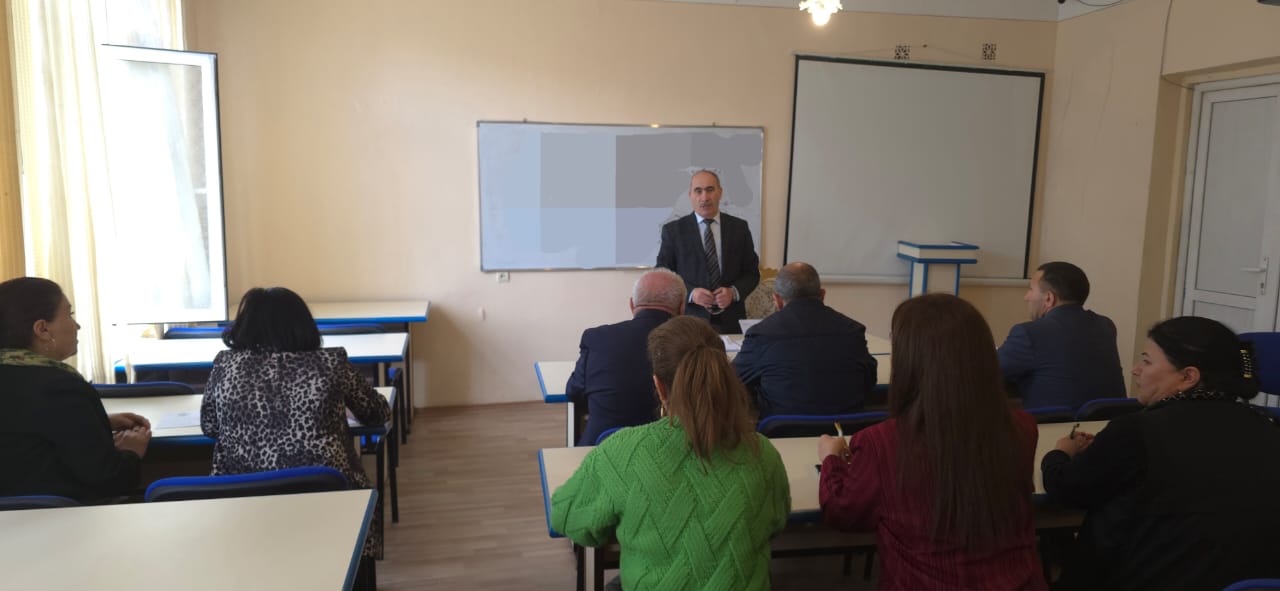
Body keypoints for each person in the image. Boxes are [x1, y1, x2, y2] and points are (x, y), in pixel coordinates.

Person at [818, 293, 1045, 590]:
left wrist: (831, 459)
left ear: (909, 362)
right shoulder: (1022, 428)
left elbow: (843, 512)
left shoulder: (881, 443)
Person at [552, 316, 790, 590]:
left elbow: (568, 519)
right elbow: (777, 521)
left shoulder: (622, 453)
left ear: (659, 386)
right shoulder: (762, 453)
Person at [1042, 316, 1280, 590]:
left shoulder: (1135, 431)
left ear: (1188, 377)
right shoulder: (1269, 427)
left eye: (1147, 361)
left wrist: (1060, 453)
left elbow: (1067, 489)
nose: (1135, 370)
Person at [200, 286, 390, 575]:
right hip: (326, 500)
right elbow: (378, 412)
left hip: (240, 504)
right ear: (303, 324)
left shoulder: (225, 364)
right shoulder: (331, 362)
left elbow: (210, 426)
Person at [0, 276, 151, 502]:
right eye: (69, 314)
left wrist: (95, 422)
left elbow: (21, 431)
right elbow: (110, 479)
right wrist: (131, 451)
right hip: (62, 519)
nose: (77, 325)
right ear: (43, 329)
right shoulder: (61, 387)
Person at [734, 262, 878, 418]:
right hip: (846, 430)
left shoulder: (761, 335)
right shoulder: (853, 331)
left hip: (783, 430)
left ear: (777, 300)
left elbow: (732, 380)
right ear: (822, 295)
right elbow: (869, 381)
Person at [565, 268, 685, 446]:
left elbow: (573, 392)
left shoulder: (597, 338)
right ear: (682, 307)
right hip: (674, 450)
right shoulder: (696, 343)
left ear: (631, 305)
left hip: (602, 450)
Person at [997, 261, 1125, 409]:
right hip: (1108, 419)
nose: (1027, 297)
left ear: (1049, 298)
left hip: (1051, 422)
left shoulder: (1028, 333)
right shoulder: (1105, 326)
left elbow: (986, 371)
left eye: (1031, 289)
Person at [656, 169, 760, 334]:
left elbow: (752, 273)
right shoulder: (673, 231)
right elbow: (663, 274)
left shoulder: (739, 228)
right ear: (690, 195)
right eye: (698, 191)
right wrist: (691, 293)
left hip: (731, 319)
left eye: (710, 190)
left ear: (720, 192)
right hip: (690, 320)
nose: (704, 197)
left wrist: (733, 292)